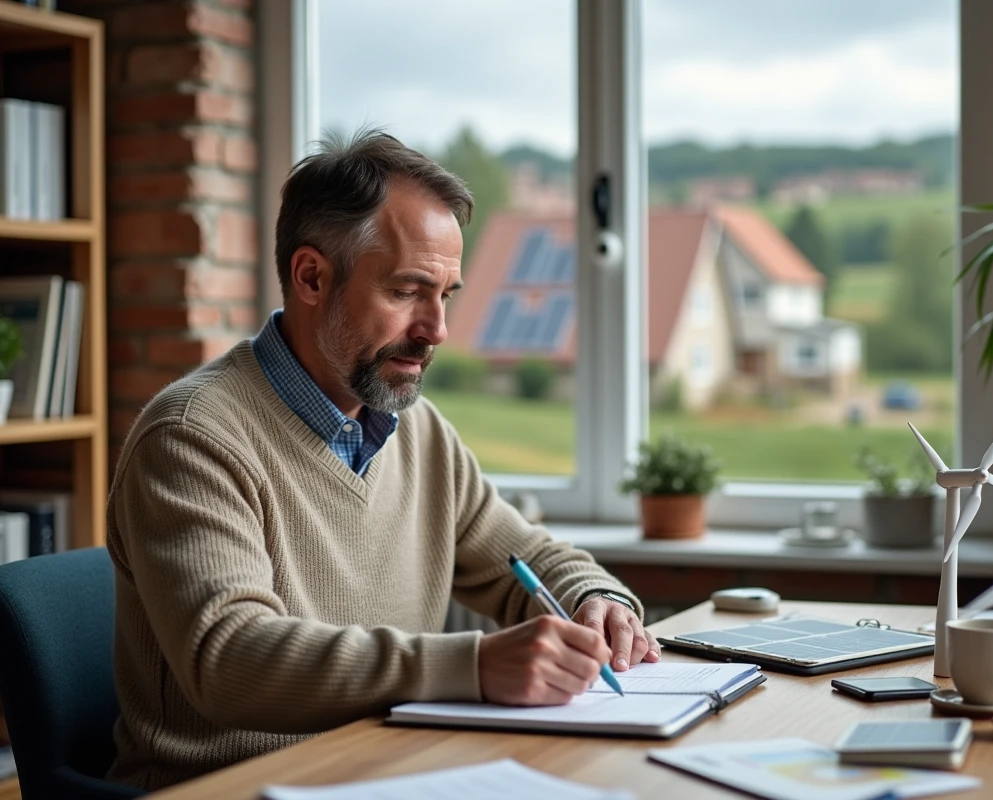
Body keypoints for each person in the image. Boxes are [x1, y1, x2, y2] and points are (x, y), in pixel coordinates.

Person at [106, 129, 659, 792]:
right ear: (311, 276)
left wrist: (594, 599)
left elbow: (527, 562)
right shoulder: (192, 437)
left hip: (387, 772)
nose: (437, 330)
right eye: (407, 292)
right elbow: (229, 658)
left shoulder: (417, 431)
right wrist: (475, 667)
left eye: (446, 295)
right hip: (230, 787)